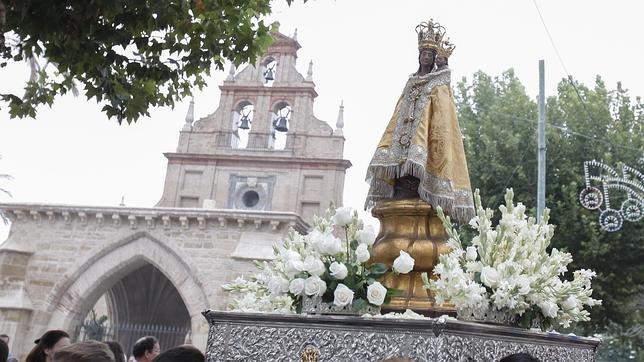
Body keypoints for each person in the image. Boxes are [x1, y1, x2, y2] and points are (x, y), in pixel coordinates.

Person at [365, 19, 475, 225]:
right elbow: (401, 103)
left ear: (434, 59)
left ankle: (417, 184)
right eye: (423, 54)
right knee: (401, 160)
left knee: (419, 156)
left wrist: (445, 66)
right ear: (419, 56)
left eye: (429, 54)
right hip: (404, 130)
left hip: (425, 129)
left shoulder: (439, 80)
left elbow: (442, 105)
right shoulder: (411, 80)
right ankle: (402, 184)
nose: (426, 56)